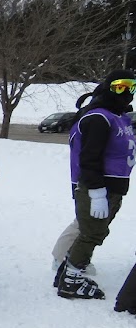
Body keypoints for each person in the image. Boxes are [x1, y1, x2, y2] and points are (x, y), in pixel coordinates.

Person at [53, 69, 135, 299]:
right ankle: (71, 281)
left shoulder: (117, 116)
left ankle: (66, 272)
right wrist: (97, 192)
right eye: (120, 86)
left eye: (132, 87)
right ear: (109, 86)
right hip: (98, 187)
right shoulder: (99, 118)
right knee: (92, 234)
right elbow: (89, 159)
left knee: (92, 231)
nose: (127, 92)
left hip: (113, 187)